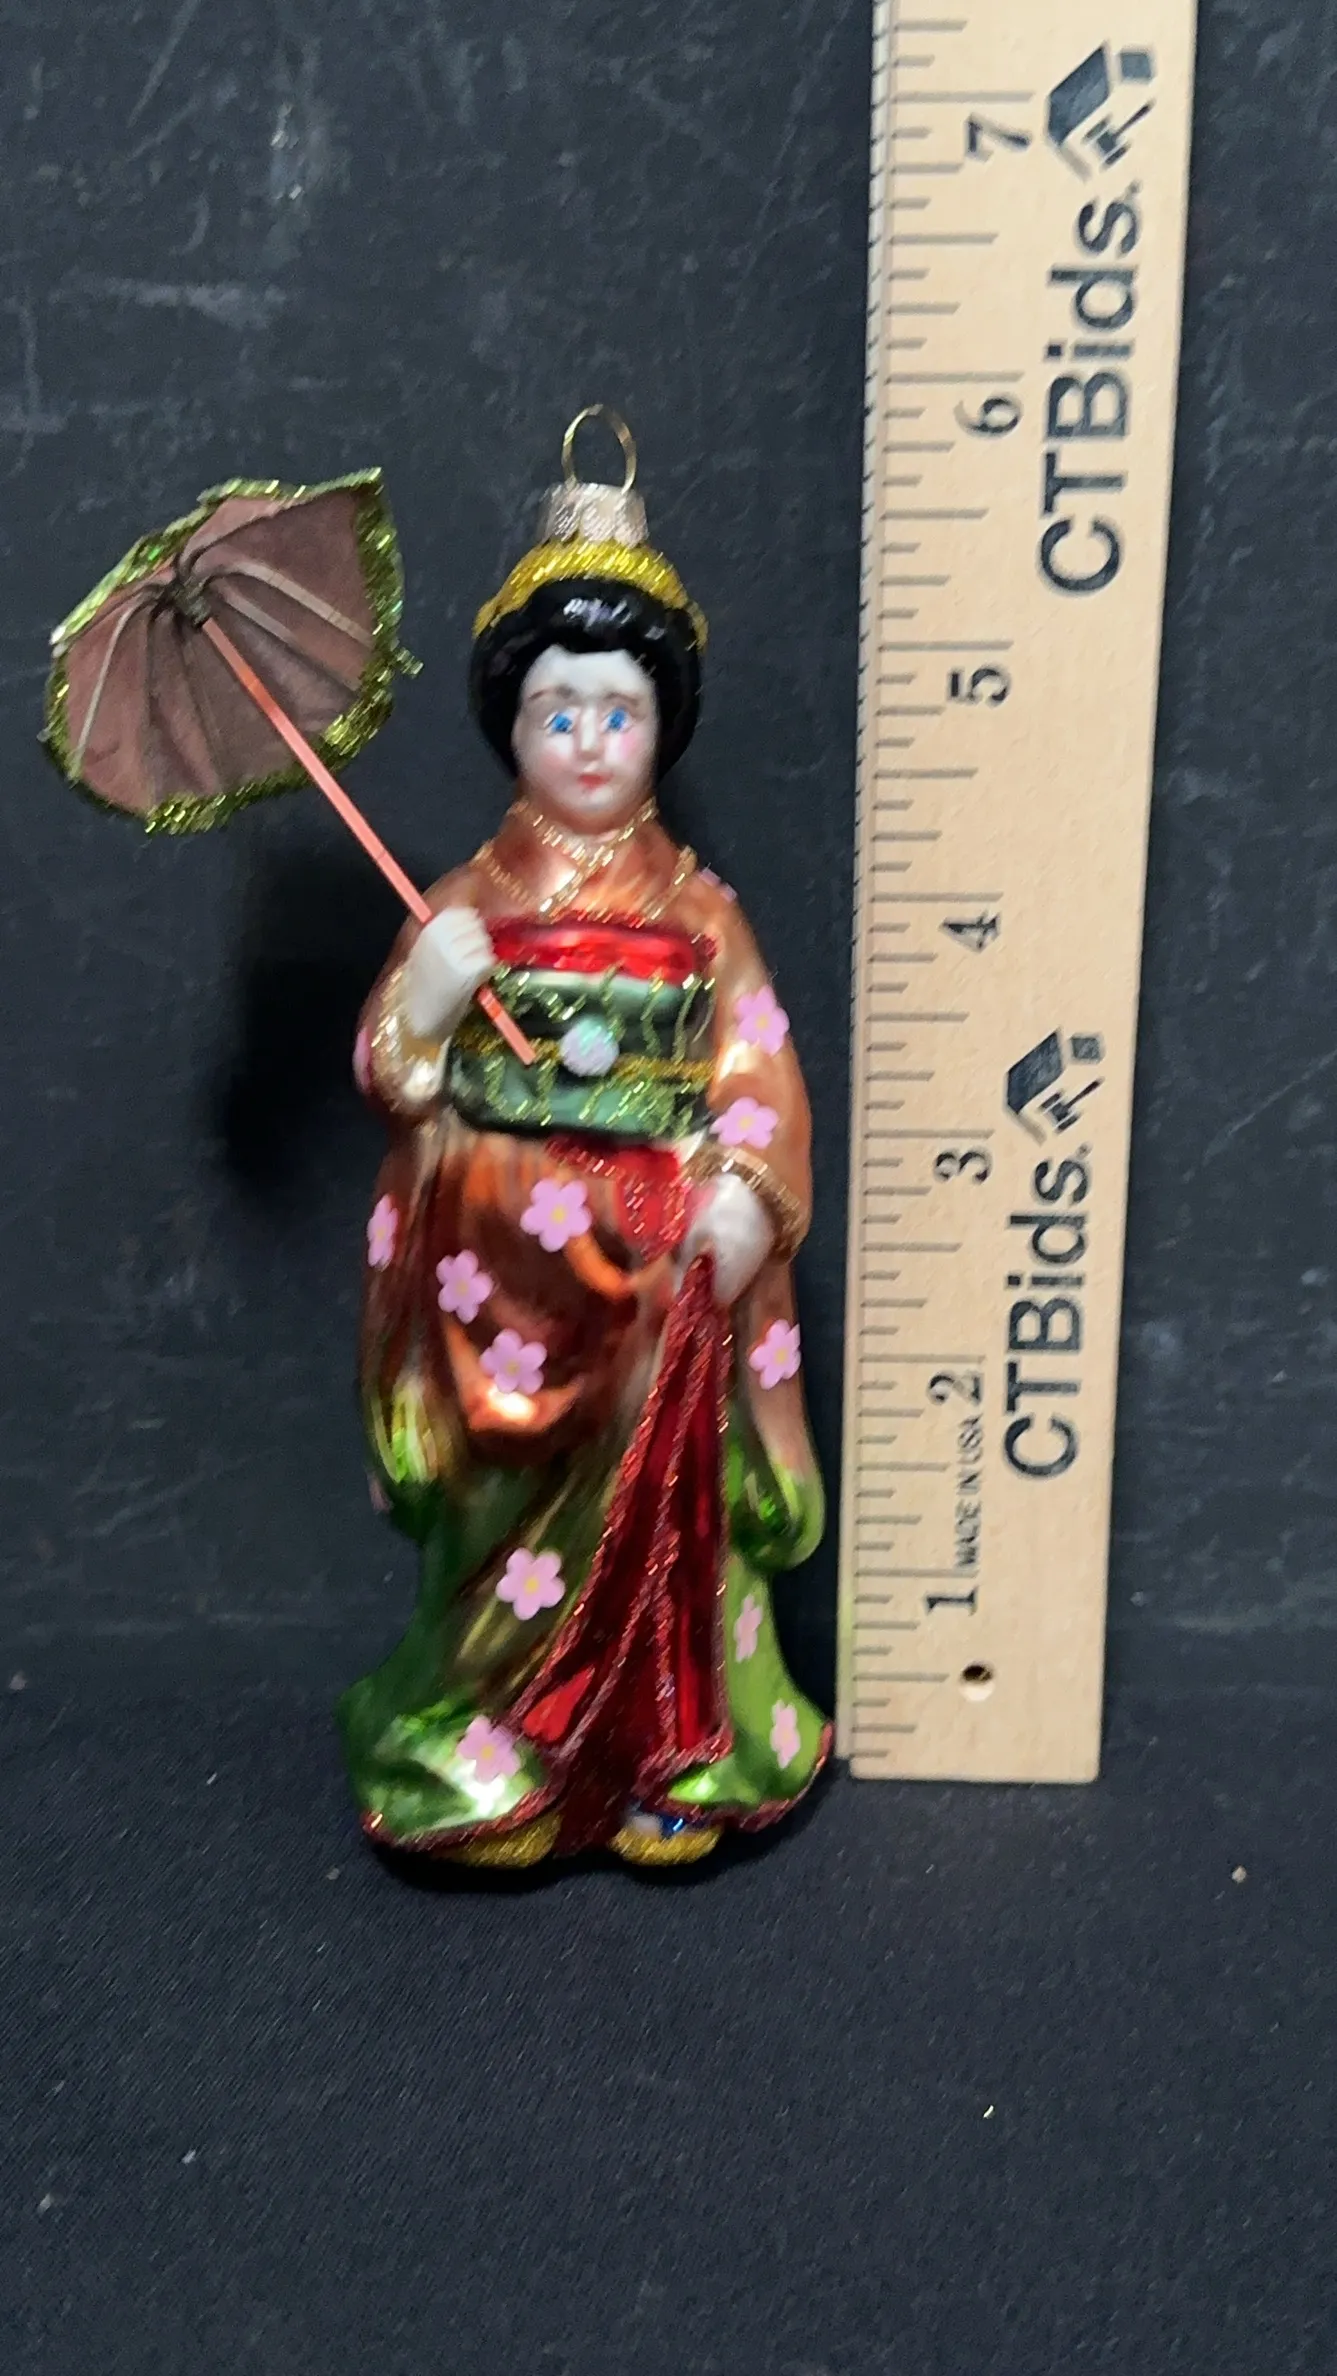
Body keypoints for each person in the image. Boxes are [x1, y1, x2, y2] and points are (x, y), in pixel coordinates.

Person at [339, 411, 829, 1867]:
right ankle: (476, 1748)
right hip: (500, 1280)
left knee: (670, 1506)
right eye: (560, 710)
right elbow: (390, 1074)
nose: (591, 741)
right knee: (503, 1526)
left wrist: (748, 1192)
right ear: (513, 726)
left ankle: (682, 1745)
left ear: (663, 723)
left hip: (665, 1271)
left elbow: (758, 1067)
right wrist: (429, 1005)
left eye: (620, 710)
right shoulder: (462, 901)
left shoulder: (702, 910)